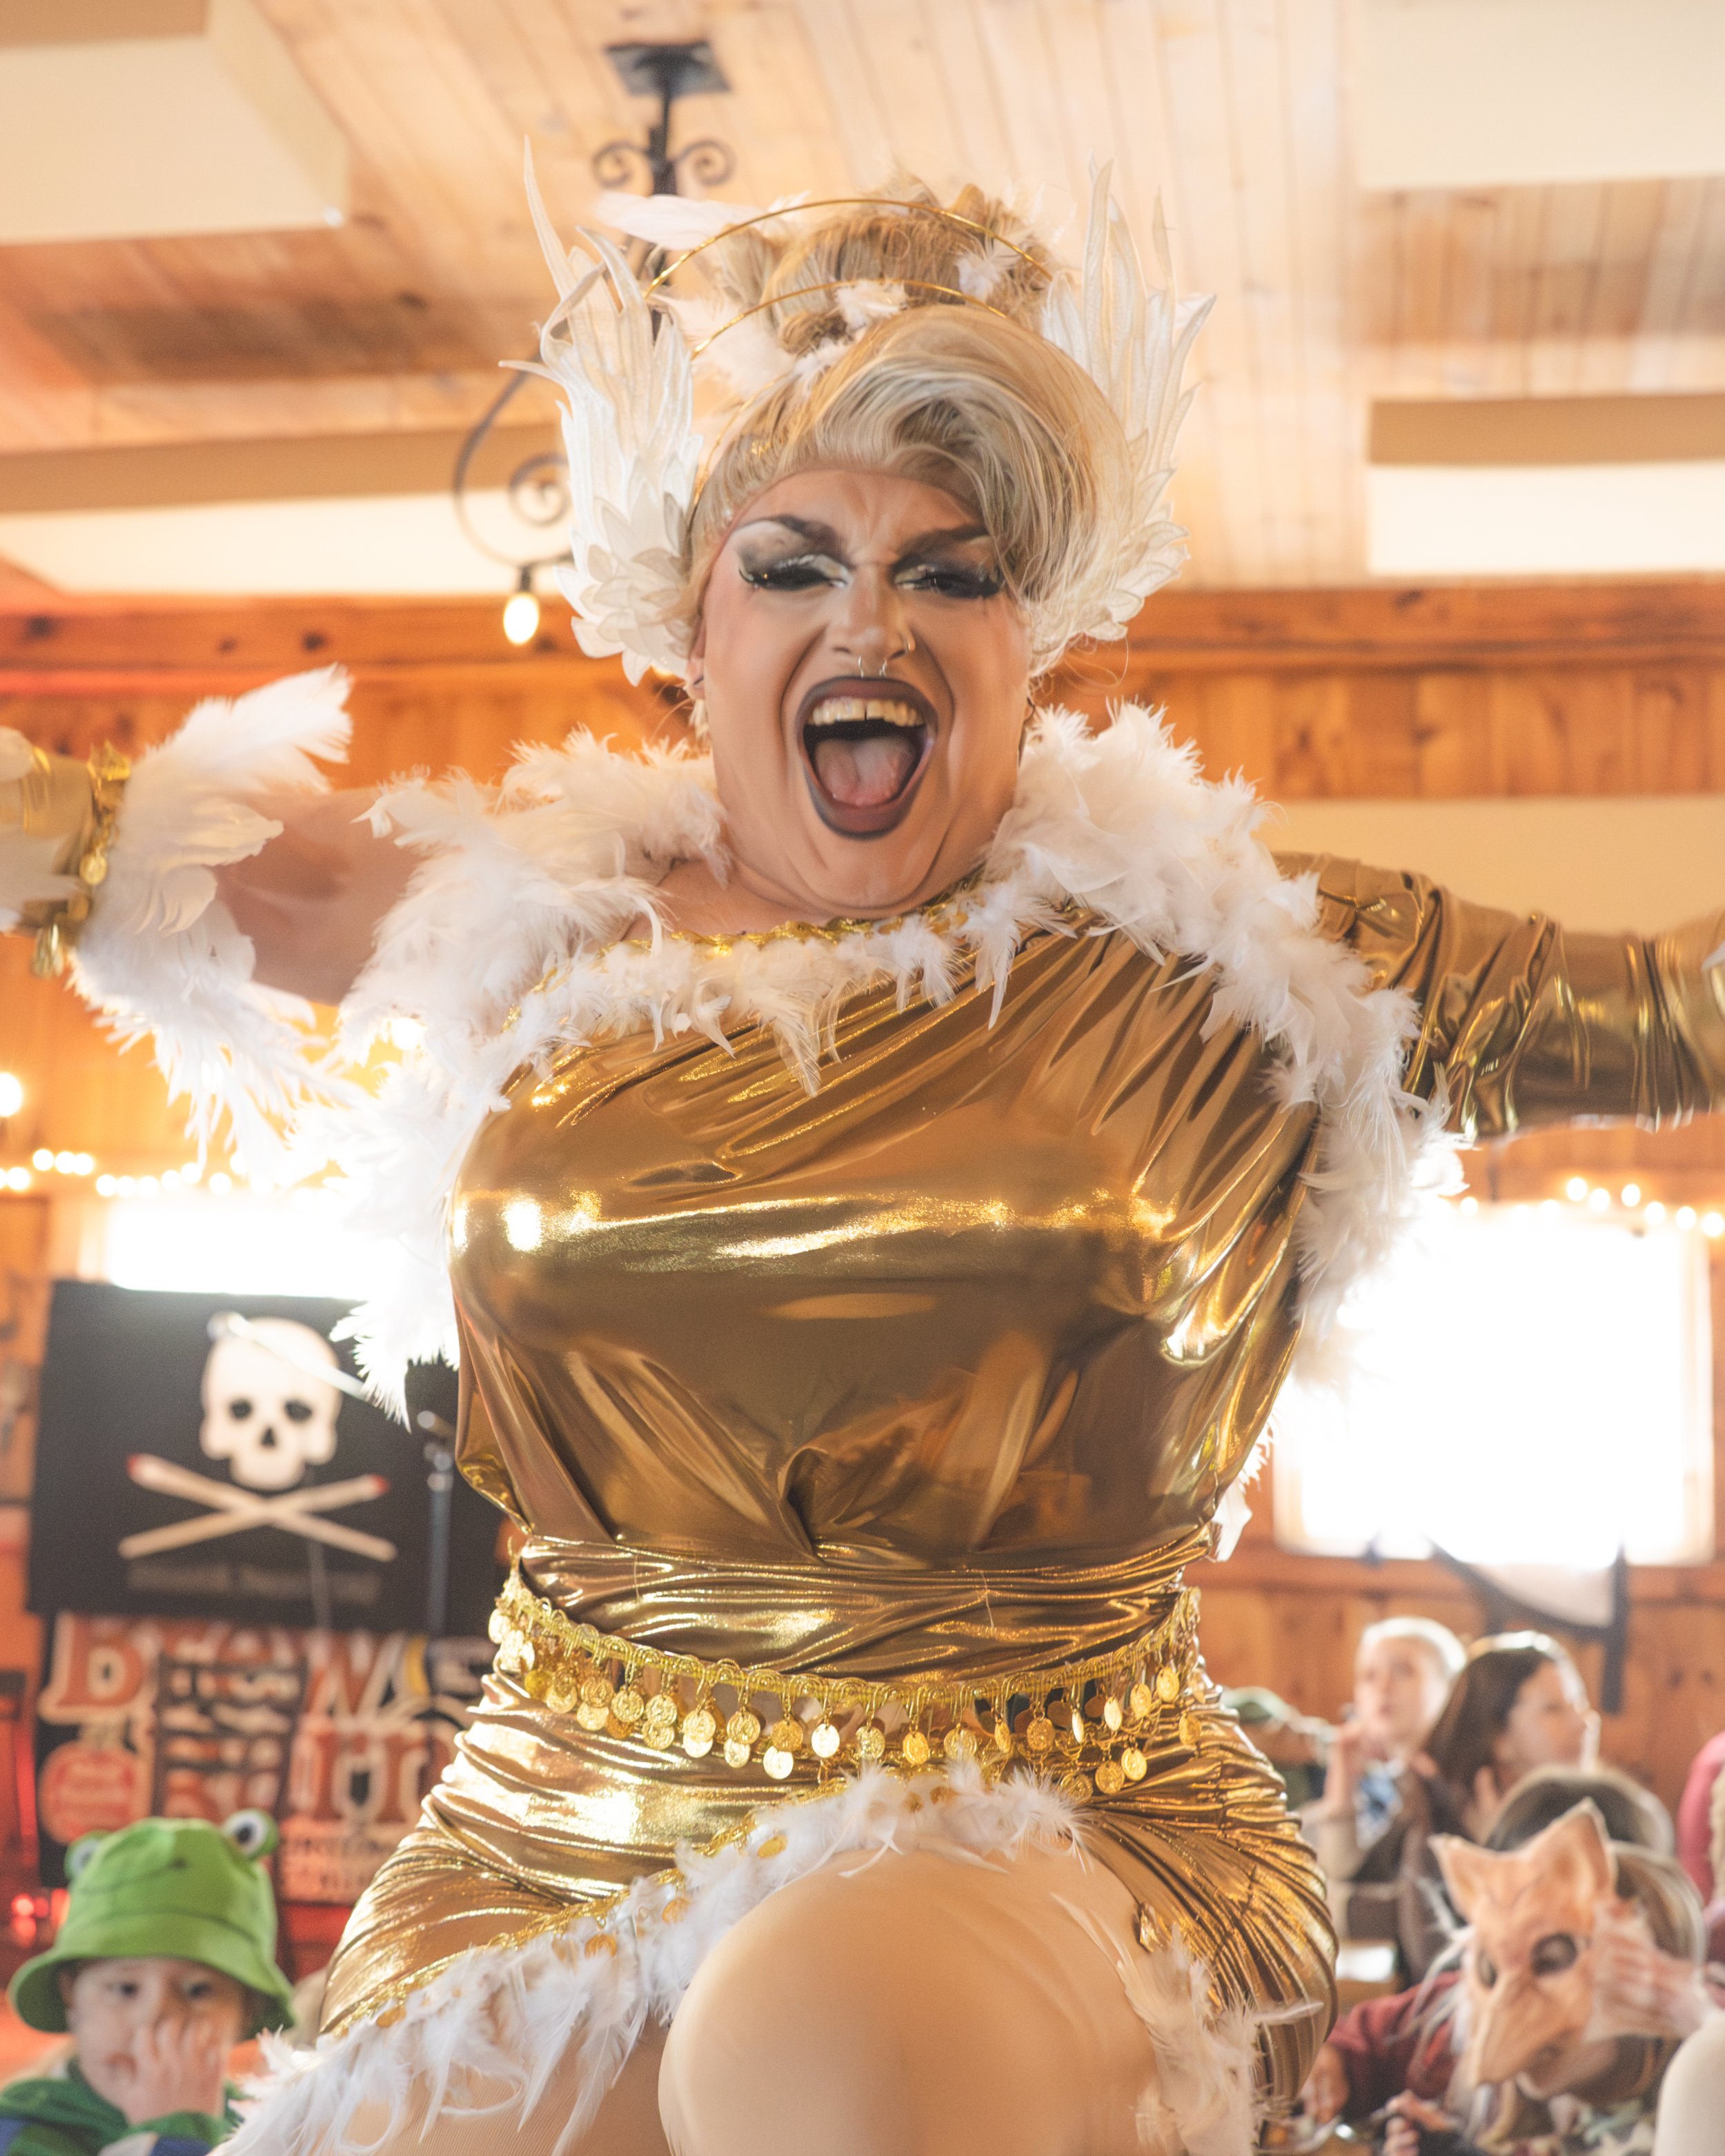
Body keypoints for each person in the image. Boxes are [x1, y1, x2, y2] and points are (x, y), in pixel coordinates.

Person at [7, 170, 1725, 2156]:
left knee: (823, 2028)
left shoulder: (1231, 955)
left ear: (1031, 637)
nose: (872, 619)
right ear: (691, 623)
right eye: (798, 563)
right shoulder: (541, 916)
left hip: (1046, 1823)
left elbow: (1678, 1009)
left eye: (950, 568)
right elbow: (158, 858)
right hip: (557, 1816)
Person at [1300, 1766, 1677, 2130]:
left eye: (1550, 1961)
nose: (1512, 1990)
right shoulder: (1458, 2012)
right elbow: (1377, 2039)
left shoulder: (1672, 2111)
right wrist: (1336, 2062)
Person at [1379, 1806, 1707, 2156]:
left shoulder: (1677, 2137)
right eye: (1492, 1971)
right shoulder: (1553, 2116)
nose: (1504, 2008)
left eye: (1551, 1963)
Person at [0, 1817, 294, 2155]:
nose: (155, 2017)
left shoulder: (259, 2126)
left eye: (198, 1990)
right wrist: (176, 2134)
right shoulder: (22, 2131)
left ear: (247, 2011)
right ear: (71, 1996)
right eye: (126, 1989)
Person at [1306, 1616, 1464, 1924]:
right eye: (1369, 1675)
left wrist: (1328, 1909)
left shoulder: (1455, 1785)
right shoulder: (1402, 1784)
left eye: (1403, 1671)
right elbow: (1345, 1879)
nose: (1383, 1687)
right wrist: (1342, 1793)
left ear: (1451, 1686)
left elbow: (1410, 1916)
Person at [1426, 1633, 1599, 1839]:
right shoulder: (1432, 1828)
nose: (1583, 1723)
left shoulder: (1610, 1816)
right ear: (1498, 1736)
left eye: (1580, 1705)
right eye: (1553, 1709)